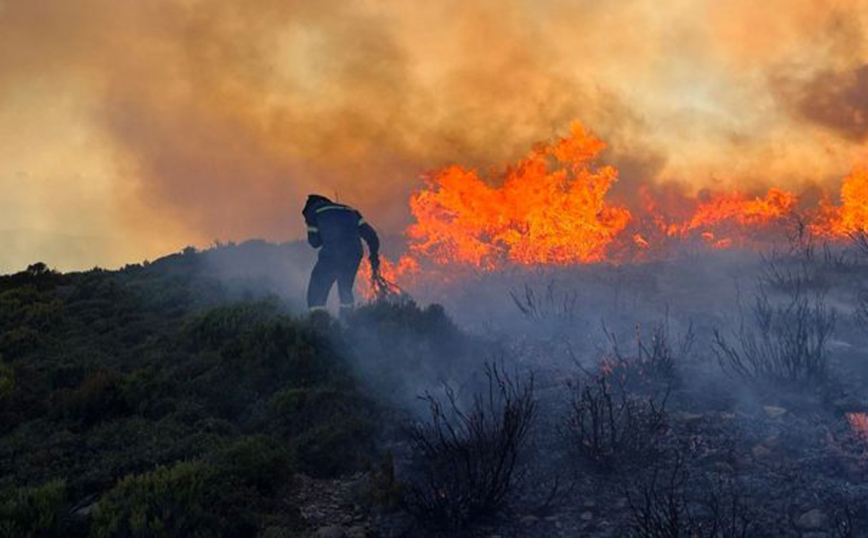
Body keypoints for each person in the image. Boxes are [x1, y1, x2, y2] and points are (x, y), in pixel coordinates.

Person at [302, 194, 380, 315]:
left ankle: (318, 323)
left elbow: (314, 242)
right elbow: (372, 236)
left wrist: (326, 234)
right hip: (354, 254)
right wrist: (374, 256)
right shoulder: (351, 211)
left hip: (332, 254)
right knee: (345, 289)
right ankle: (348, 323)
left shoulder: (313, 211)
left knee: (316, 290)